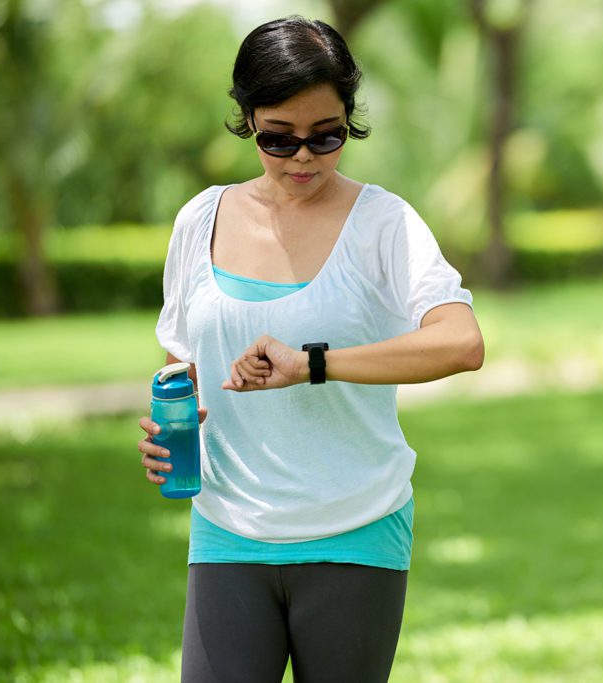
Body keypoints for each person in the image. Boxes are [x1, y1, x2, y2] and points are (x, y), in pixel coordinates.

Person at [135, 15, 483, 682]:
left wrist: (313, 363)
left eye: (327, 137)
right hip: (228, 525)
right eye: (278, 138)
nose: (302, 158)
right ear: (246, 119)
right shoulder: (199, 220)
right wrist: (170, 423)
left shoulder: (384, 223)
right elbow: (184, 363)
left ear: (349, 118)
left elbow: (462, 342)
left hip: (354, 528)